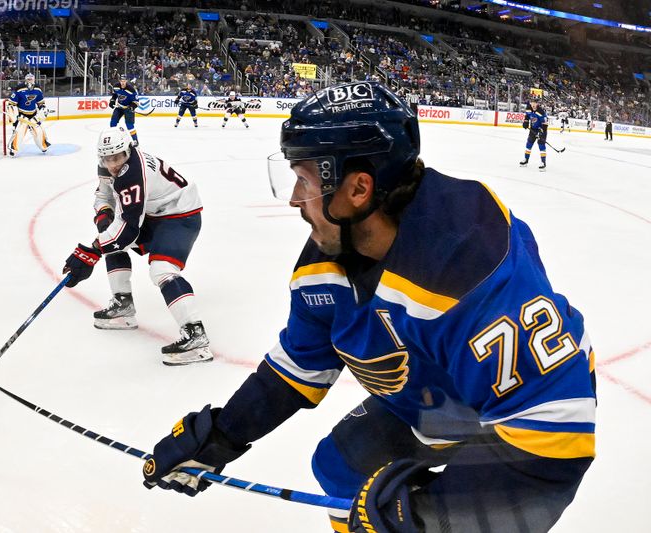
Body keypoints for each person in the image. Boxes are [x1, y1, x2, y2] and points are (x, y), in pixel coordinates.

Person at [141, 82, 596, 532]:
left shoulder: (466, 261)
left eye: (303, 180)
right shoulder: (325, 265)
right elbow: (298, 367)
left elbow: (553, 437)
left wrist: (436, 519)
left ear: (358, 188)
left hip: (504, 415)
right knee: (338, 469)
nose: (295, 199)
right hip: (430, 398)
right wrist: (223, 434)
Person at [61, 126, 212, 366]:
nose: (112, 164)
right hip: (153, 213)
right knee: (110, 235)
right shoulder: (109, 162)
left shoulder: (132, 174)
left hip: (180, 215)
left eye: (117, 157)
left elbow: (129, 228)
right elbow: (103, 196)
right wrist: (103, 216)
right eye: (107, 158)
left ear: (128, 151)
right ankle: (123, 306)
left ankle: (196, 336)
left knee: (162, 270)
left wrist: (90, 252)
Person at [6, 73, 50, 157]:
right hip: (22, 116)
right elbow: (11, 103)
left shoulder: (38, 89)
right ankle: (13, 149)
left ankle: (43, 146)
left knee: (39, 131)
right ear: (25, 80)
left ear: (34, 80)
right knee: (19, 133)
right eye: (28, 79)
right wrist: (13, 115)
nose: (30, 81)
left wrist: (43, 109)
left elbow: (40, 102)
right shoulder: (19, 89)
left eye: (31, 79)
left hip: (33, 115)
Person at [109, 75, 139, 145]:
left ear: (126, 81)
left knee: (129, 125)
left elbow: (136, 102)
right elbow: (115, 94)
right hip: (119, 107)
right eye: (121, 81)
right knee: (113, 122)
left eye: (124, 81)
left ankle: (135, 140)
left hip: (128, 109)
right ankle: (114, 139)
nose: (122, 83)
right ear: (119, 81)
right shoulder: (116, 86)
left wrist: (132, 106)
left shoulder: (131, 89)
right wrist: (112, 100)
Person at [520, 99, 548, 171]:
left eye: (535, 103)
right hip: (533, 129)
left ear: (537, 104)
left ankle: (543, 163)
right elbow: (527, 116)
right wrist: (526, 122)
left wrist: (541, 132)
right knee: (529, 144)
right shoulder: (528, 108)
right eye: (532, 103)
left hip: (541, 129)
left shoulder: (540, 111)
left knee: (541, 145)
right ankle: (526, 160)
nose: (533, 104)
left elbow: (545, 124)